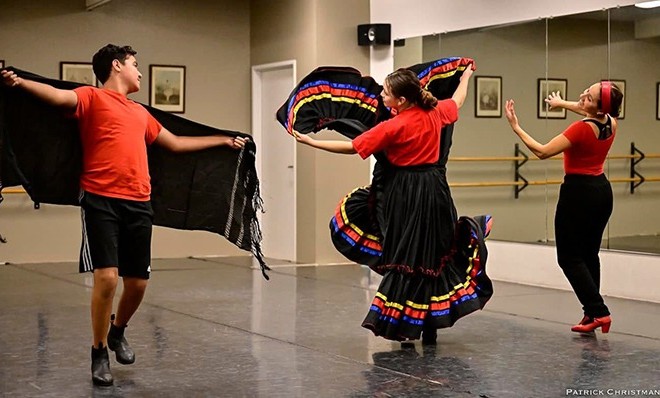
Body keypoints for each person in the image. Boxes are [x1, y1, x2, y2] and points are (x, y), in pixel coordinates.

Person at [1, 44, 247, 386]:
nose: (140, 72)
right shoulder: (90, 97)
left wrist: (220, 141)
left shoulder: (140, 113)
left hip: (139, 202)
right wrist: (20, 84)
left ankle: (117, 331)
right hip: (100, 199)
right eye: (135, 64)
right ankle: (99, 351)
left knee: (138, 283)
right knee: (107, 277)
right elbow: (57, 97)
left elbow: (174, 143)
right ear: (116, 66)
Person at [294, 66, 492, 344]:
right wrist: (467, 76)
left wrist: (311, 142)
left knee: (407, 257)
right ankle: (429, 327)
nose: (381, 95)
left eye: (386, 92)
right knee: (432, 255)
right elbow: (458, 101)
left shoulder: (395, 125)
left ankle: (406, 325)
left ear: (400, 100)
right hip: (436, 191)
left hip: (406, 193)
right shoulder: (435, 111)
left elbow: (353, 148)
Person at [504, 81, 623, 334]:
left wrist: (516, 128)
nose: (582, 97)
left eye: (588, 97)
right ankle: (591, 312)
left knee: (568, 257)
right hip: (602, 192)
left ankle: (599, 311)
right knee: (590, 254)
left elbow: (542, 152)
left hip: (578, 194)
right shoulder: (611, 122)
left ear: (599, 107)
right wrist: (561, 104)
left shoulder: (580, 129)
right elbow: (587, 112)